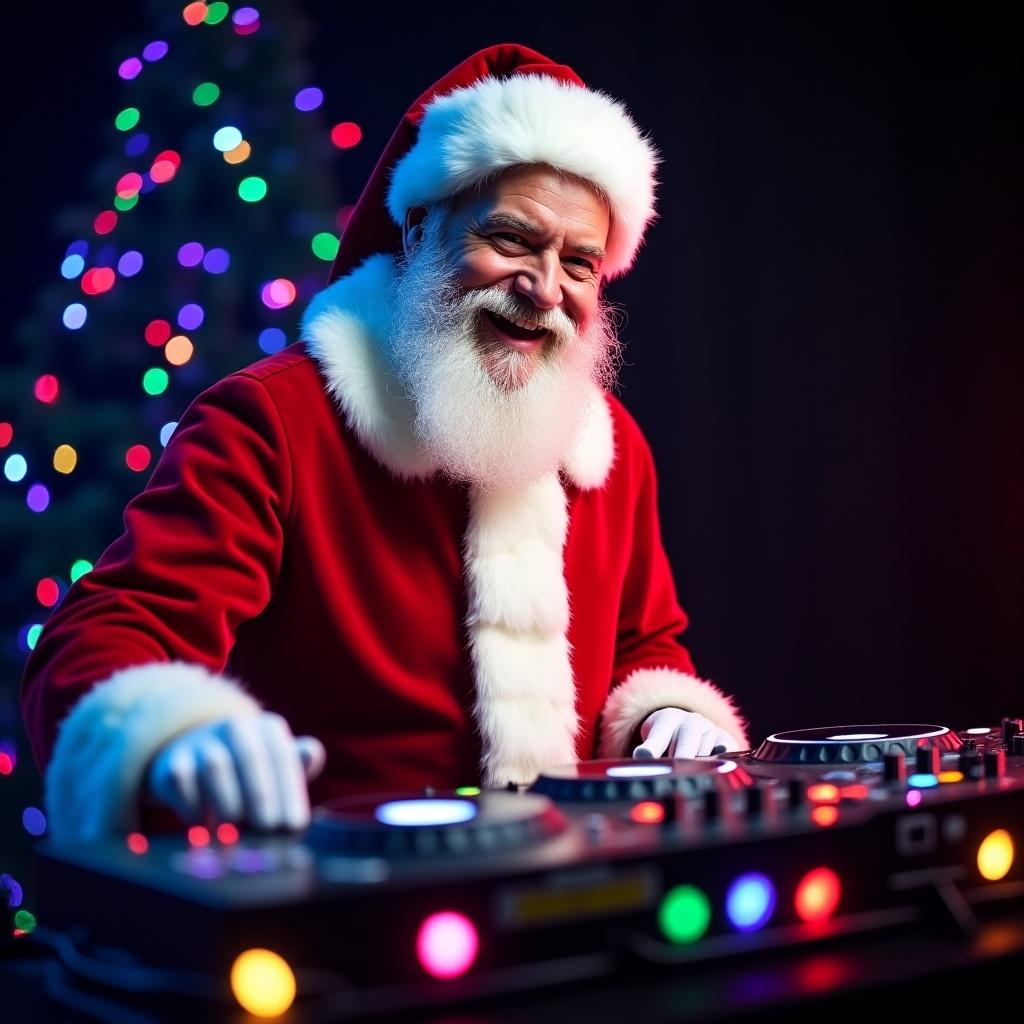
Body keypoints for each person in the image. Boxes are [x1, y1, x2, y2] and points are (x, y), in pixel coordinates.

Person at [21, 44, 748, 845]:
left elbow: (645, 646)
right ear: (418, 233)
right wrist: (171, 736)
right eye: (511, 239)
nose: (545, 289)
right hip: (335, 919)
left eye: (579, 261)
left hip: (570, 905)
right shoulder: (274, 420)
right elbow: (103, 636)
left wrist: (669, 713)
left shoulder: (610, 447)